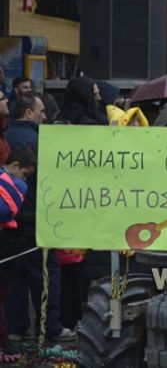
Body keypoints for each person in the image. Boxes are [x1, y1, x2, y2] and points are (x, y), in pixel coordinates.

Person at [4, 94, 74, 343]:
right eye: (41, 111)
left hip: (11, 221)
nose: (45, 116)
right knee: (46, 274)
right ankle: (49, 326)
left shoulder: (7, 137)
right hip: (36, 218)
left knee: (16, 277)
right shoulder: (40, 141)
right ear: (28, 113)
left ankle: (16, 328)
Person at [0, 147, 35, 362]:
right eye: (25, 174)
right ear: (15, 167)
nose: (26, 182)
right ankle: (5, 342)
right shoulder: (10, 193)